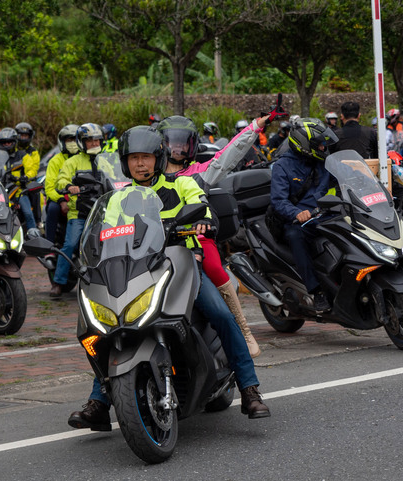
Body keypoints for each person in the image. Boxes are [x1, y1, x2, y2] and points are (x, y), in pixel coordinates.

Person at [67, 126, 270, 431]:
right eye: (133, 158)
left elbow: (203, 207)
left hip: (181, 266)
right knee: (106, 328)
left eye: (145, 157)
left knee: (220, 314)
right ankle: (100, 401)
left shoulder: (182, 184)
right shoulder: (117, 201)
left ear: (157, 159)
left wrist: (203, 220)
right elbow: (103, 237)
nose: (140, 164)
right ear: (125, 162)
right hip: (136, 273)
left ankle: (249, 389)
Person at [159, 114, 270, 357]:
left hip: (194, 238)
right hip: (156, 241)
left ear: (192, 145)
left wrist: (254, 127)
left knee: (215, 268)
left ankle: (244, 330)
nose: (176, 148)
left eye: (182, 143)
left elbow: (230, 154)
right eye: (171, 142)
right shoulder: (148, 176)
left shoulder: (200, 173)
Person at [270, 118, 337, 312]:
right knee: (295, 236)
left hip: (325, 214)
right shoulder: (283, 166)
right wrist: (297, 212)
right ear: (305, 145)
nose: (324, 147)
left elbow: (343, 179)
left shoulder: (324, 161)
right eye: (320, 144)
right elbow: (278, 201)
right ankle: (316, 291)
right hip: (298, 221)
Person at [49, 123, 105, 296]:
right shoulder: (72, 162)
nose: (95, 144)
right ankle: (58, 282)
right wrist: (69, 186)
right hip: (79, 211)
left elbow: (115, 175)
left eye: (97, 141)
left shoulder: (104, 160)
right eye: (90, 141)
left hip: (101, 210)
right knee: (70, 244)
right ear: (82, 142)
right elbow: (60, 180)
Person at [0, 127, 40, 238]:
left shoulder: (22, 155)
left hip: (18, 191)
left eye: (9, 142)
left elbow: (32, 169)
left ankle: (34, 236)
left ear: (15, 142)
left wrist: (25, 177)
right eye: (4, 142)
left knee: (28, 213)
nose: (7, 144)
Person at [44, 124, 78, 244]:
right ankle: (49, 245)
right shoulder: (55, 161)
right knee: (53, 209)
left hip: (81, 197)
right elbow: (49, 188)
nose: (73, 143)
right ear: (63, 142)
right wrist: (61, 201)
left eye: (75, 139)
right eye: (69, 140)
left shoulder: (85, 158)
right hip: (59, 198)